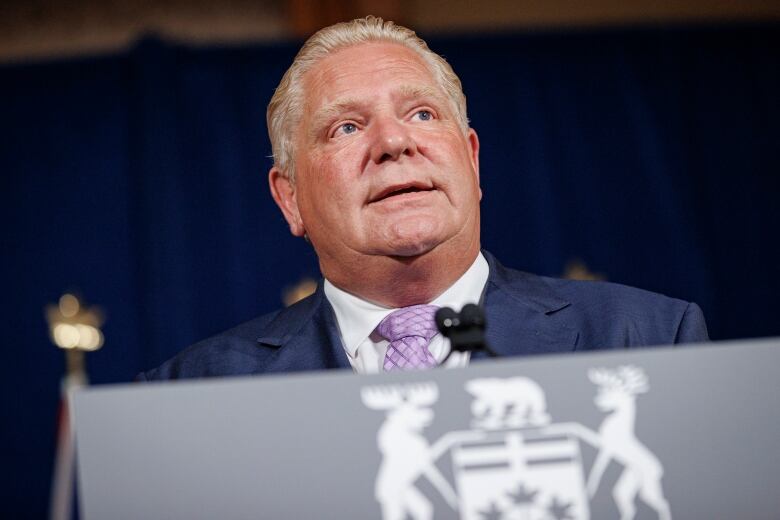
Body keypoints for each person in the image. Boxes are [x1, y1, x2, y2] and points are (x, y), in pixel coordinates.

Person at [138, 16, 708, 381]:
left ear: (472, 160)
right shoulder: (192, 393)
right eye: (346, 127)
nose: (393, 142)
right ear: (290, 199)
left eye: (422, 114)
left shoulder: (649, 339)